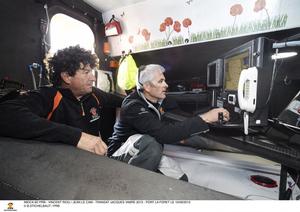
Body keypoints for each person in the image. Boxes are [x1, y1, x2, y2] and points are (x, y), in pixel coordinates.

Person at [108, 64, 230, 180]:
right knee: (150, 144)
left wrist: (213, 113)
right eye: (160, 81)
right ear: (147, 86)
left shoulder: (159, 99)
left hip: (149, 151)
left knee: (180, 179)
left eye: (164, 80)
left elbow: (183, 116)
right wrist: (205, 118)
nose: (166, 85)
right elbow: (164, 134)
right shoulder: (133, 106)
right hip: (120, 152)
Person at [0, 46, 123, 155]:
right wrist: (76, 136)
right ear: (67, 77)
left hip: (95, 159)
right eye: (86, 72)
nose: (93, 78)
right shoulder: (48, 96)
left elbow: (122, 101)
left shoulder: (94, 94)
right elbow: (5, 113)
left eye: (91, 71)